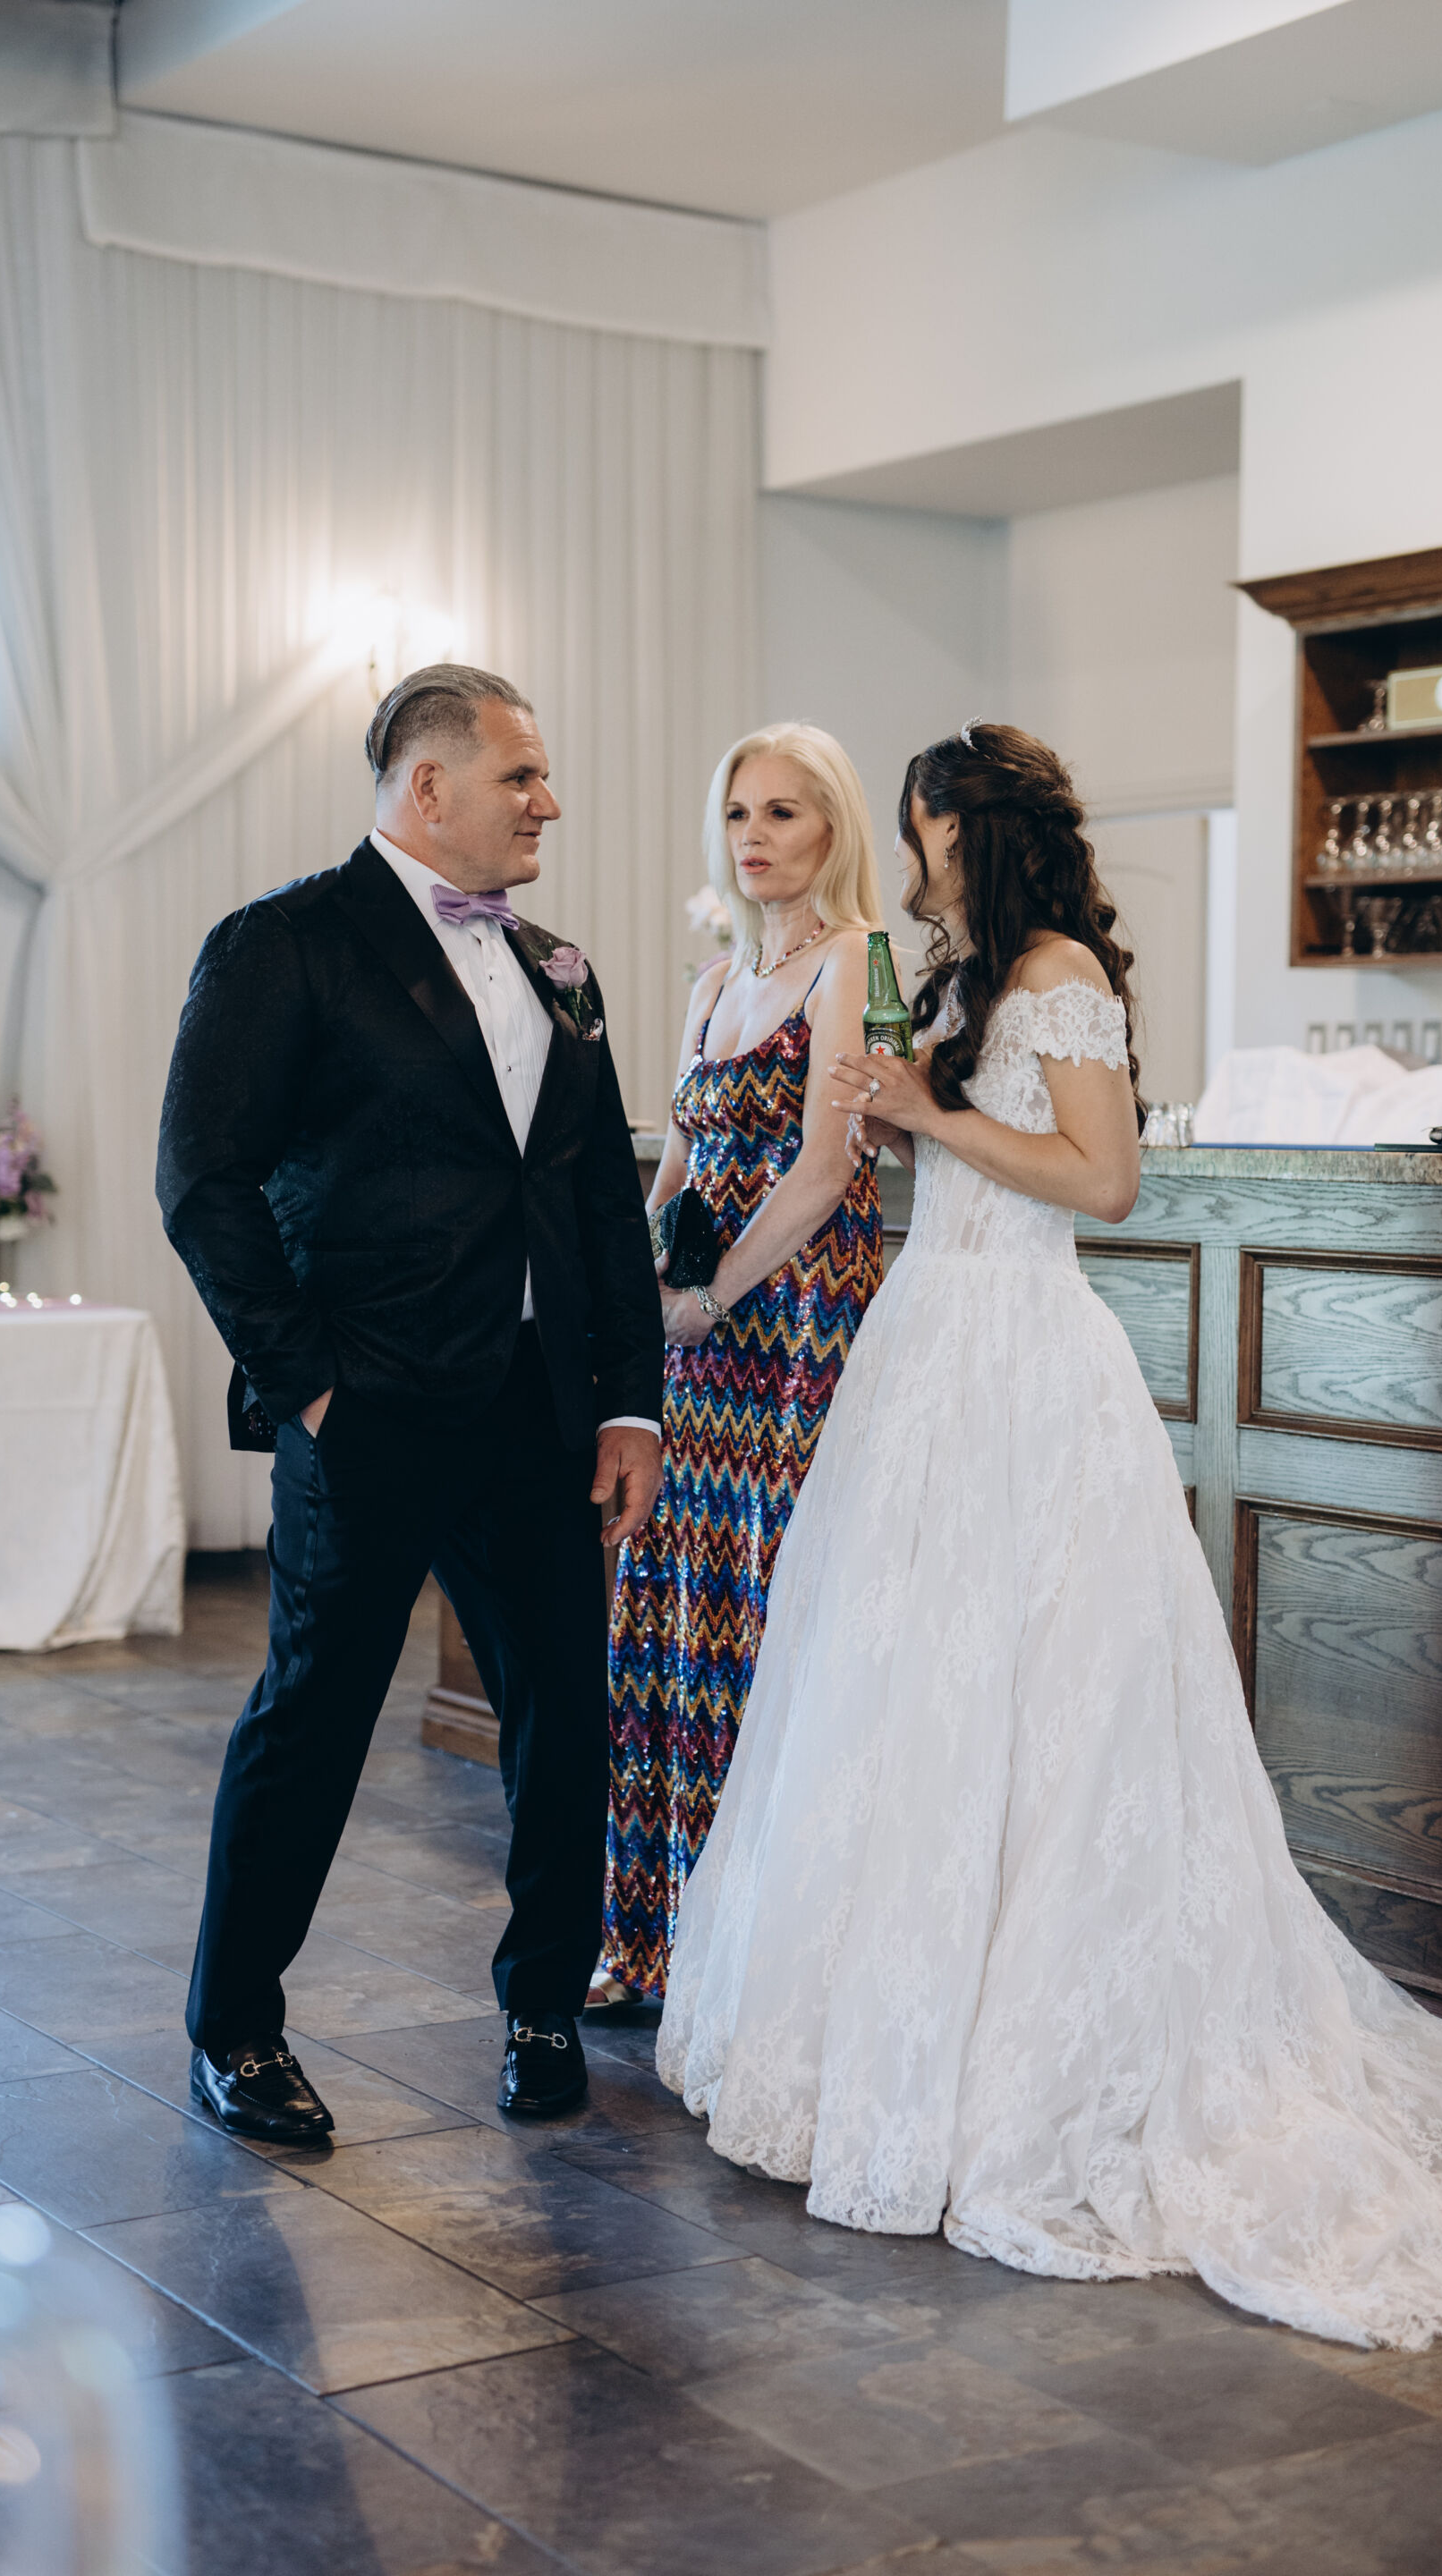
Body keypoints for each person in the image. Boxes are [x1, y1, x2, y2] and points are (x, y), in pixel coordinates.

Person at [657, 719, 1442, 2349]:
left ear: (968, 833)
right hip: (925, 1348)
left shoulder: (1061, 973)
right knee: (902, 1691)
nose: (909, 860)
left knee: (1048, 1700)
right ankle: (885, 2033)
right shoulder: (960, 978)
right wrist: (898, 1115)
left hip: (1025, 1355)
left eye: (921, 831)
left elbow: (1108, 1179)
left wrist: (929, 1118)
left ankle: (1032, 2055)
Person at [157, 663, 663, 2136]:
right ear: (429, 787)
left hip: (537, 1414)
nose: (549, 802)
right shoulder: (284, 945)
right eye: (523, 776)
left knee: (566, 1721)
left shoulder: (559, 967)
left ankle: (543, 2009)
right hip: (368, 1412)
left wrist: (628, 1402)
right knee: (312, 1720)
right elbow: (202, 1182)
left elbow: (596, 1201)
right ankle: (235, 2032)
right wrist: (309, 1385)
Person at [590, 724, 885, 2020]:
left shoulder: (853, 961)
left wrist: (711, 1300)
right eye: (738, 814)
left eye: (783, 813)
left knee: (765, 1615)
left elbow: (823, 1171)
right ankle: (653, 1938)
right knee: (668, 1609)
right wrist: (627, 1291)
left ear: (833, 829)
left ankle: (758, 1963)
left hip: (796, 1326)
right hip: (696, 1336)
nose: (755, 837)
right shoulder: (715, 982)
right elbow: (674, 1165)